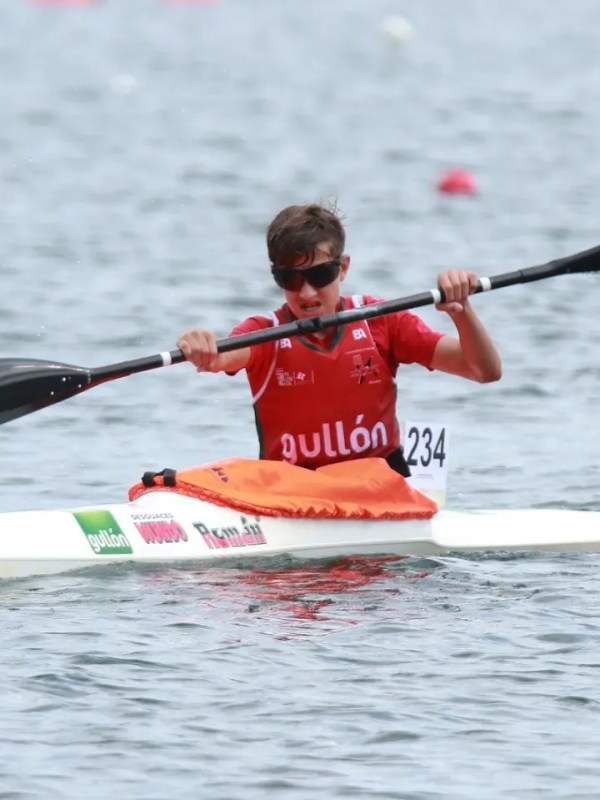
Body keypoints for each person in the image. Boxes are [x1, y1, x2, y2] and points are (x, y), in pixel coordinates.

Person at [177, 202, 502, 476]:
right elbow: (219, 358)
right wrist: (202, 346)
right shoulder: (263, 332)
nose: (306, 293)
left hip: (381, 491)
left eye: (320, 276)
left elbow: (483, 370)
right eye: (289, 278)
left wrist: (462, 311)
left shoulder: (382, 320)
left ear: (343, 268)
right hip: (297, 498)